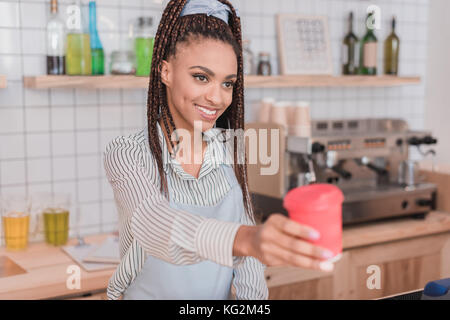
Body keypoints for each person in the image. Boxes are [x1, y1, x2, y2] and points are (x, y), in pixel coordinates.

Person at [103, 0, 335, 300]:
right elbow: (155, 225)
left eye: (228, 83)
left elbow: (248, 267)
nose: (216, 97)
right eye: (201, 77)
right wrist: (247, 239)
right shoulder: (128, 153)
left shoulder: (231, 150)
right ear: (165, 71)